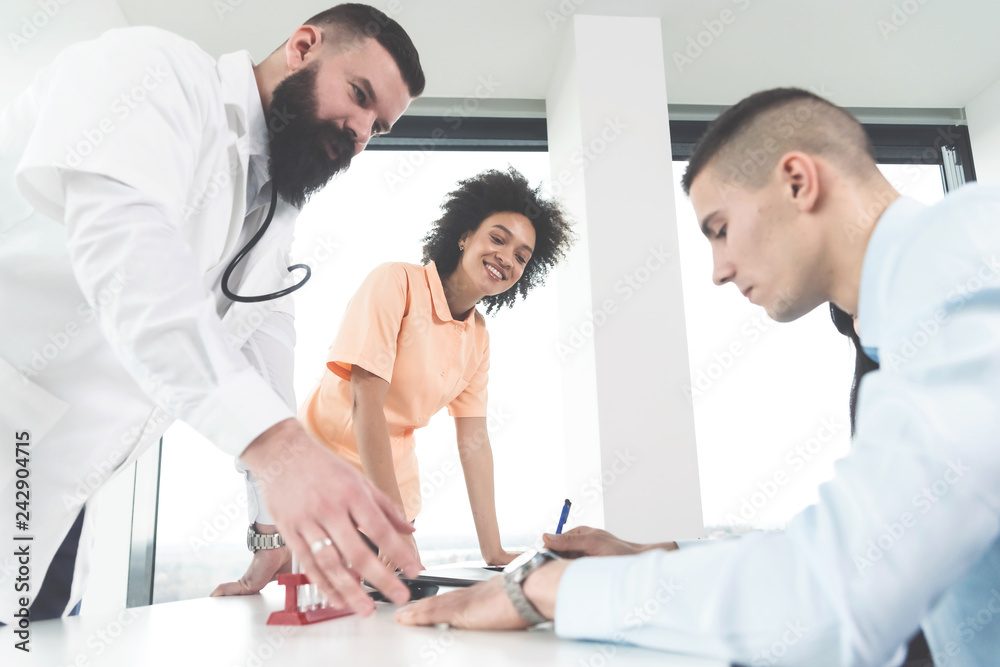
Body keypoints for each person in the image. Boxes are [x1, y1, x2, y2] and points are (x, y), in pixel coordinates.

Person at [395, 87, 1000, 666]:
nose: (718, 270)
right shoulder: (920, 294)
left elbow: (833, 599)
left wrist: (546, 592)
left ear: (798, 182)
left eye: (719, 229)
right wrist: (662, 556)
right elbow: (859, 544)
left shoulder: (958, 264)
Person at [1, 3, 426, 624]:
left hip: (66, 498)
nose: (360, 131)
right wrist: (278, 450)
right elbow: (129, 259)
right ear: (303, 46)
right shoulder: (153, 72)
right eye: (358, 95)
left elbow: (263, 363)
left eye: (377, 127)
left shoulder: (273, 216)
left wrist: (268, 526)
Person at [216, 167, 575, 592]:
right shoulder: (397, 283)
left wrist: (493, 551)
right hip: (321, 474)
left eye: (521, 256)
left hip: (392, 494)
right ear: (464, 236)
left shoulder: (478, 338)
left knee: (382, 617)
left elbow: (474, 443)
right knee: (310, 608)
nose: (507, 258)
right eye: (498, 238)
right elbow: (363, 402)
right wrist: (392, 530)